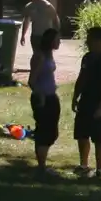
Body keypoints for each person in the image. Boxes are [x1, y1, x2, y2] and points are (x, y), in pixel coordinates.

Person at [71, 26, 101, 178]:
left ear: (98, 40)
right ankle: (83, 165)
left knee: (98, 137)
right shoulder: (87, 57)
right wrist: (75, 96)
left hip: (99, 101)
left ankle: (99, 169)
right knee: (82, 134)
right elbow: (81, 77)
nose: (87, 41)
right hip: (85, 99)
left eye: (90, 38)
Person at [27, 29, 60, 173]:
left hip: (51, 96)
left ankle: (42, 165)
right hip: (43, 98)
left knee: (51, 131)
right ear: (51, 40)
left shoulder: (49, 55)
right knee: (44, 131)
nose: (59, 42)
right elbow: (32, 81)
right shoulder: (39, 56)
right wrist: (40, 96)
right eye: (57, 39)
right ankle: (41, 166)